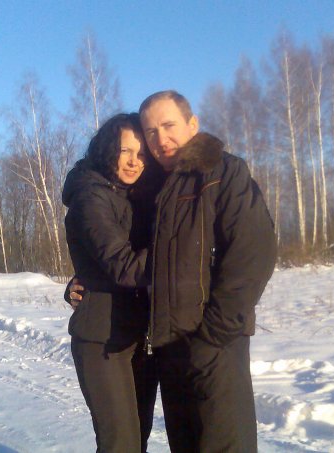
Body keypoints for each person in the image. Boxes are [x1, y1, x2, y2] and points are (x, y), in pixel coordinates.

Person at [70, 91, 277, 452]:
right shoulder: (156, 187)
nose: (160, 139)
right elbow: (125, 255)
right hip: (169, 346)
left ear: (192, 124)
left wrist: (216, 334)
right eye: (151, 132)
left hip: (214, 341)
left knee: (224, 443)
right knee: (181, 443)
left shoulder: (223, 173)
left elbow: (252, 255)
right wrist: (86, 279)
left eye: (169, 126)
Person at [62, 112, 159, 453]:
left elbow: (102, 258)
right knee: (120, 444)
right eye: (125, 151)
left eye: (141, 153)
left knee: (138, 438)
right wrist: (180, 251)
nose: (134, 161)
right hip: (102, 339)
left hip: (137, 337)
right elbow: (124, 266)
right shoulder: (91, 197)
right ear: (107, 150)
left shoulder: (129, 196)